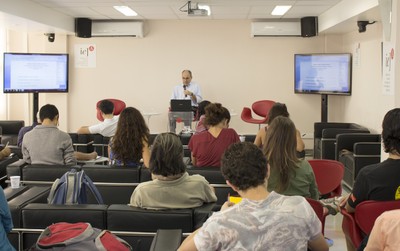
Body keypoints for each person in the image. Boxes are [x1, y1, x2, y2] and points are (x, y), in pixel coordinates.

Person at [178, 142, 328, 251]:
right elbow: (322, 248)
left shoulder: (220, 223)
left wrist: (219, 215)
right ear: (267, 170)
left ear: (231, 184)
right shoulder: (299, 206)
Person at [335, 108, 400, 213]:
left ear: (385, 135)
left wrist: (352, 198)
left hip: (375, 229)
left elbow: (350, 208)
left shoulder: (368, 174)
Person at [129, 132, 217, 209]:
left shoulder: (142, 192)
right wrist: (210, 190)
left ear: (154, 157)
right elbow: (212, 200)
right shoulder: (200, 184)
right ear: (181, 156)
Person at [264, 116, 319, 200]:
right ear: (293, 140)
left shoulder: (260, 168)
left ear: (269, 137)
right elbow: (315, 198)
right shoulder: (305, 166)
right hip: (301, 212)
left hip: (269, 212)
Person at [188, 103, 239, 167]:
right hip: (226, 175)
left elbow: (194, 163)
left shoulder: (195, 138)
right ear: (226, 121)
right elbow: (239, 158)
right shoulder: (231, 133)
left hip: (202, 176)